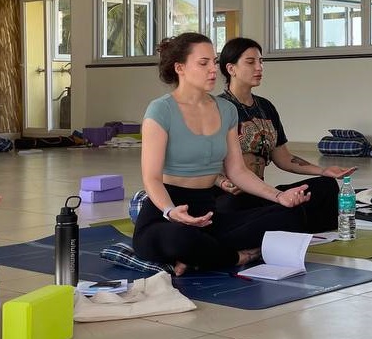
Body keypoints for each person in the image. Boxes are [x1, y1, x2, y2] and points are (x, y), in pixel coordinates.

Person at [134, 33, 310, 274]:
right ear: (180, 68)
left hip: (208, 213)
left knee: (291, 214)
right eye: (203, 63)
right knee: (181, 238)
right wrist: (171, 211)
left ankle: (200, 256)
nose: (212, 70)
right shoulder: (160, 110)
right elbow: (151, 178)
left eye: (214, 62)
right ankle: (236, 257)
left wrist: (279, 196)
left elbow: (237, 171)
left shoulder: (226, 110)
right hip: (166, 215)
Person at [214, 37, 354, 233]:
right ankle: (285, 223)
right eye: (250, 62)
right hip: (230, 196)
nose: (259, 68)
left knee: (325, 186)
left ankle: (299, 228)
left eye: (261, 61)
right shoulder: (217, 108)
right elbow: (201, 162)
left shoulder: (265, 107)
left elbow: (284, 158)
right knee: (231, 207)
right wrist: (222, 181)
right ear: (231, 68)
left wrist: (323, 171)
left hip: (262, 193)